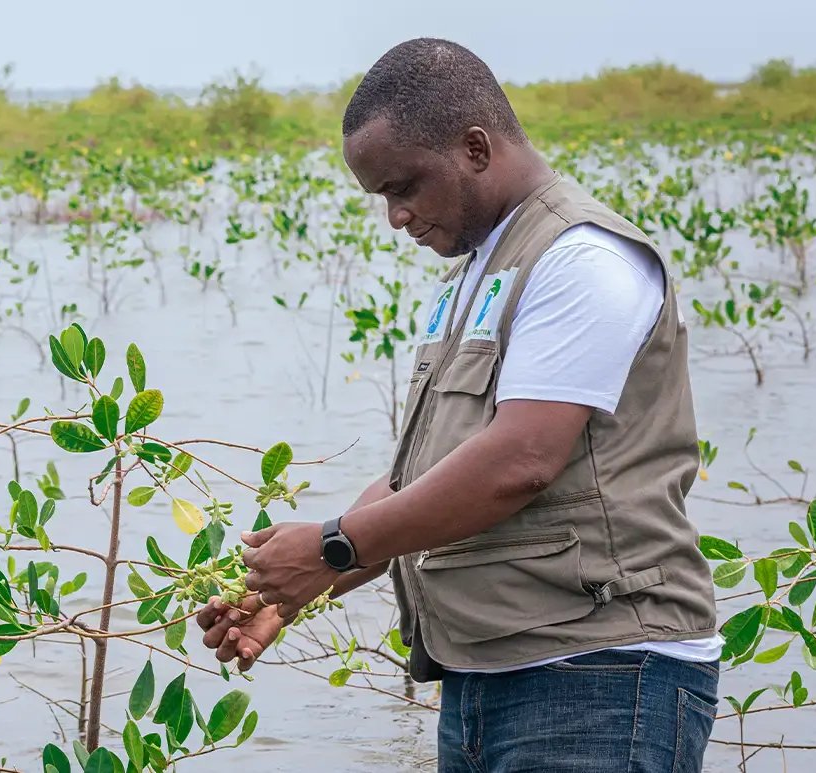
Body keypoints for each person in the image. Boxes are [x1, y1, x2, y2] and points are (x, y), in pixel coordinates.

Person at [195, 38, 723, 772]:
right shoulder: (474, 276)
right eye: (381, 195)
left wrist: (329, 543)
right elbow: (424, 479)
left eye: (404, 186)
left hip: (600, 676)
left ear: (475, 147)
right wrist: (302, 585)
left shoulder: (581, 258)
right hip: (491, 677)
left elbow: (521, 461)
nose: (396, 216)